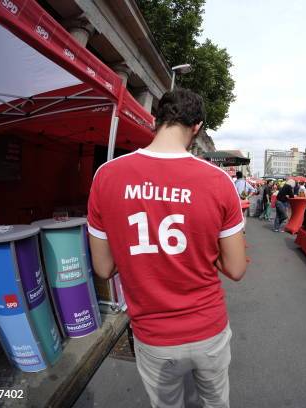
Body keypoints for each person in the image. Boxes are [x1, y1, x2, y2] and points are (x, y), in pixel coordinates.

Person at [87, 88, 247, 408]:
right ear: (197, 127)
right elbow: (237, 268)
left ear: (155, 120)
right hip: (208, 329)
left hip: (153, 335)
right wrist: (206, 252)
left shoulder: (106, 176)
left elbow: (104, 269)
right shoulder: (218, 182)